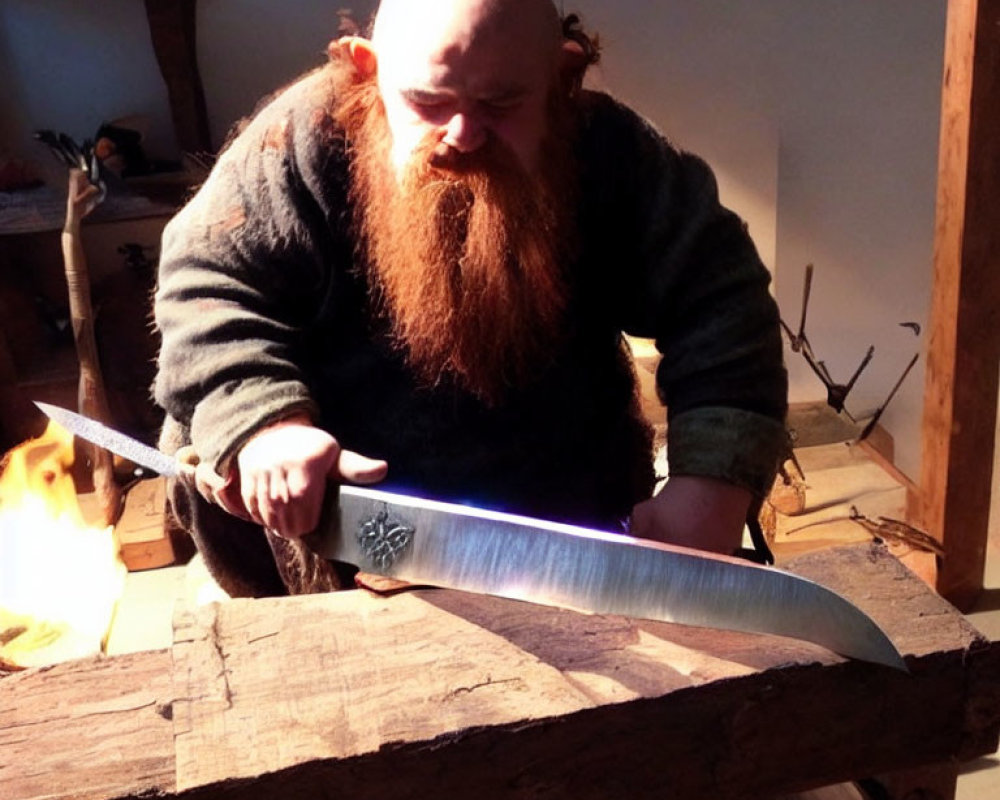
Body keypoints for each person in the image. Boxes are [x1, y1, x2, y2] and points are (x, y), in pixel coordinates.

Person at [153, 0, 788, 598]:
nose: (461, 134)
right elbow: (206, 282)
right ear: (366, 68)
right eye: (427, 101)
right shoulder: (300, 143)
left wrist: (712, 487)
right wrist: (262, 424)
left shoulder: (611, 155)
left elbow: (722, 301)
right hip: (330, 535)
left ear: (563, 74)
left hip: (564, 535)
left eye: (502, 102)